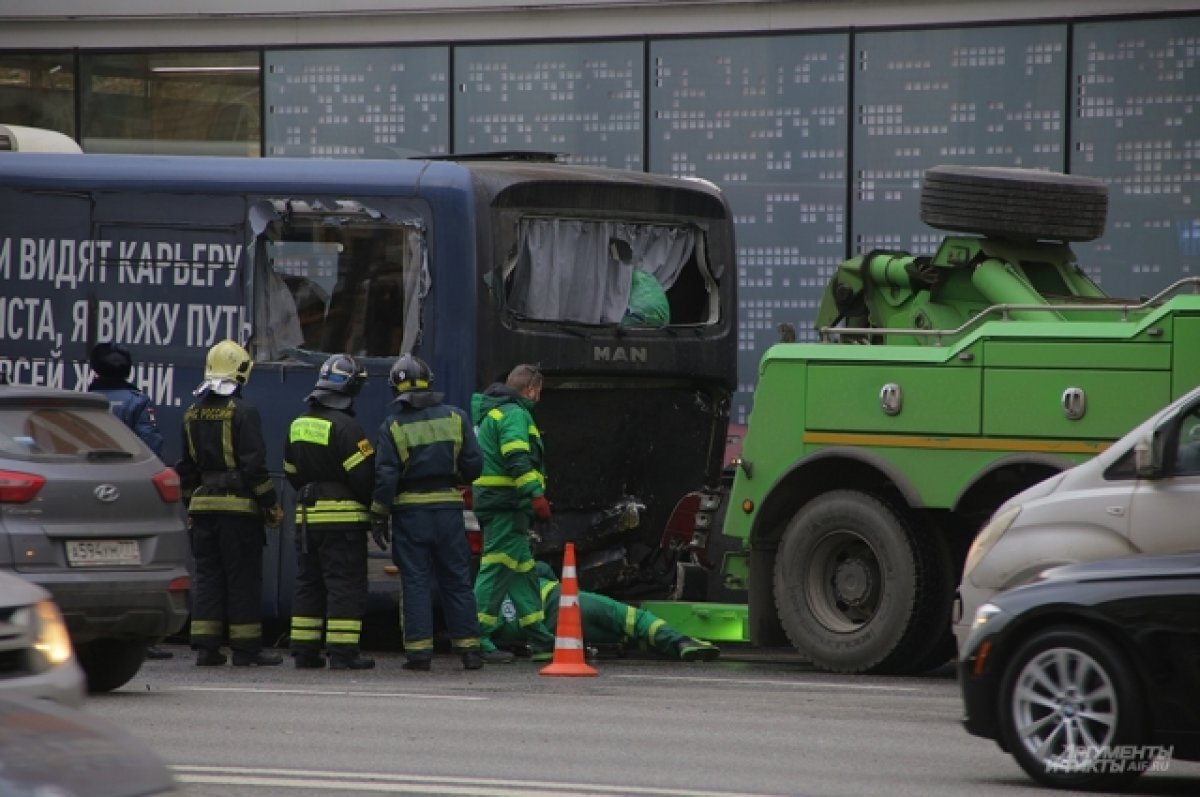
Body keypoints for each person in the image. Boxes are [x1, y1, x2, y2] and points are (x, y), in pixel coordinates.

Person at [370, 354, 486, 671]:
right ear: (429, 383)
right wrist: (455, 480)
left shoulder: (392, 426)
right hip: (449, 510)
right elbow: (474, 465)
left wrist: (379, 515)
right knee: (457, 580)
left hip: (411, 514)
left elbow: (386, 477)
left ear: (396, 389)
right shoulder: (456, 417)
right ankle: (470, 650)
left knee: (416, 581)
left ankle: (419, 654)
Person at [175, 339, 284, 668]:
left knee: (208, 577)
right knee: (242, 579)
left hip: (202, 509)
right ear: (241, 372)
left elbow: (186, 469)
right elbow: (254, 467)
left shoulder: (191, 413)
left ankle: (207, 648)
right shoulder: (244, 412)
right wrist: (271, 505)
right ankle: (246, 649)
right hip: (238, 512)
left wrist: (190, 507)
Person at [284, 354, 377, 671]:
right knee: (344, 586)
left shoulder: (297, 423)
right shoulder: (348, 428)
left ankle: (304, 652)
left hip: (307, 521)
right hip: (343, 521)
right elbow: (364, 479)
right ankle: (342, 653)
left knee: (308, 583)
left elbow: (292, 474)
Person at [87, 341, 174, 661]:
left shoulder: (84, 403)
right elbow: (151, 447)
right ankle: (136, 638)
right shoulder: (136, 402)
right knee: (132, 567)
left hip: (84, 494)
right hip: (126, 494)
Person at [471, 363, 556, 664]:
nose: (539, 399)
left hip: (498, 503)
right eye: (539, 393)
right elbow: (517, 458)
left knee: (522, 573)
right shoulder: (514, 414)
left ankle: (540, 637)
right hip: (507, 505)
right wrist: (536, 496)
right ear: (531, 389)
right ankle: (477, 637)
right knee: (495, 569)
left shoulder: (491, 413)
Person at [494, 562, 720, 662]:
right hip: (570, 602)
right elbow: (542, 569)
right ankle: (681, 642)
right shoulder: (507, 580)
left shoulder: (488, 611)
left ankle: (662, 647)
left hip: (559, 633)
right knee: (633, 620)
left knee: (622, 636)